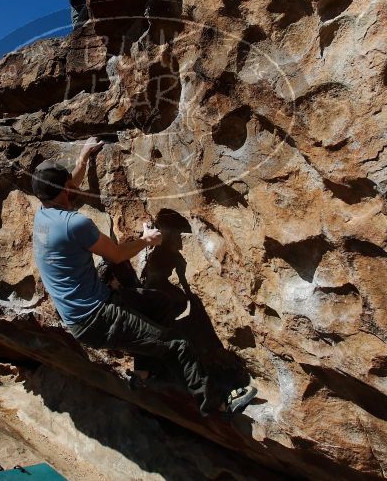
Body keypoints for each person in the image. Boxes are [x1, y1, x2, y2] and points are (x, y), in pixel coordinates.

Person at [31, 137, 257, 417]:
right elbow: (115, 255)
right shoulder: (74, 224)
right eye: (68, 184)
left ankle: (143, 374)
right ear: (65, 188)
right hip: (97, 319)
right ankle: (218, 404)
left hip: (89, 307)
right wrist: (147, 240)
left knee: (159, 304)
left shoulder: (43, 214)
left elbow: (68, 186)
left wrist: (83, 158)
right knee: (177, 345)